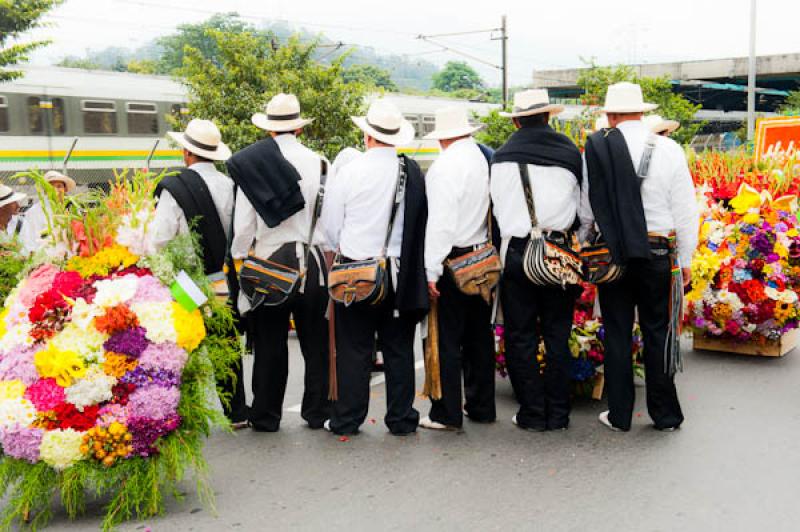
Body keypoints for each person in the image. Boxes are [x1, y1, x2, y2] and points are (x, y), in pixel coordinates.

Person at [579, 82, 699, 432]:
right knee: (658, 331)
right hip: (659, 252)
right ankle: (665, 415)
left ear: (611, 114)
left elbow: (589, 206)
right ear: (642, 113)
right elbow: (685, 209)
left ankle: (619, 415)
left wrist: (587, 242)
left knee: (617, 331)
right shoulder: (669, 148)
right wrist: (687, 259)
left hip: (614, 253)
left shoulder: (598, 148)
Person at [321, 99, 428, 436]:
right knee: (398, 349)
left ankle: (348, 419)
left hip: (356, 274)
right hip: (399, 272)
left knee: (354, 350)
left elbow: (330, 228)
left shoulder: (349, 172)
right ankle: (400, 418)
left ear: (367, 136)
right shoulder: (410, 172)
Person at [228, 93, 331, 432]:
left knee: (271, 342)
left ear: (270, 130)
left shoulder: (255, 165)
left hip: (269, 263)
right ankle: (317, 412)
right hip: (312, 262)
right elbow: (328, 221)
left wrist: (241, 257)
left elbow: (244, 224)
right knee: (314, 341)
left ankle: (267, 415)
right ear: (299, 129)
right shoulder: (320, 163)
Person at [490, 89, 583, 431]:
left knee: (520, 335)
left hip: (517, 253)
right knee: (558, 334)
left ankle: (531, 411)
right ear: (548, 116)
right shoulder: (570, 153)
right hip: (558, 254)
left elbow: (498, 210)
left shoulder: (501, 158)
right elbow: (583, 210)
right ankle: (558, 413)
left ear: (515, 120)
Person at [152, 118, 250, 429]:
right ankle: (235, 412)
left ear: (187, 153)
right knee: (225, 344)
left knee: (184, 344)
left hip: (186, 280)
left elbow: (160, 238)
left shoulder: (175, 187)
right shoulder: (229, 184)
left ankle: (186, 415)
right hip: (221, 279)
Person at [418, 106, 496, 431]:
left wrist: (431, 270)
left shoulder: (444, 167)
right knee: (479, 336)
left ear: (442, 138)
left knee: (446, 340)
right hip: (481, 257)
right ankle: (481, 406)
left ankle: (447, 413)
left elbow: (441, 224)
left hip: (453, 259)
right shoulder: (481, 159)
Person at [17, 170, 76, 254]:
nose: (55, 190)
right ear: (45, 190)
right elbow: (28, 240)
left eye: (59, 186)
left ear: (65, 189)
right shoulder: (34, 212)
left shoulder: (72, 208)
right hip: (44, 256)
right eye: (50, 187)